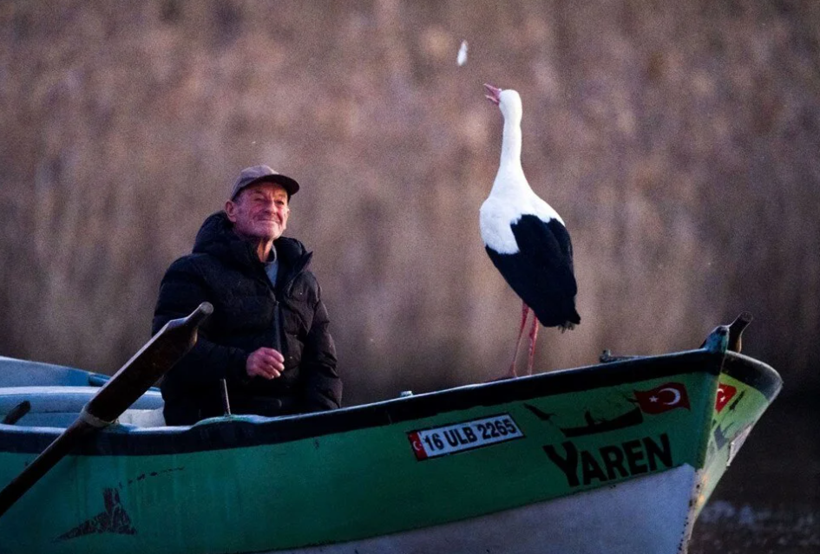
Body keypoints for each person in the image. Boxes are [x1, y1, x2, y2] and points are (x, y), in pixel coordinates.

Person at [153, 165, 341, 425]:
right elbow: (170, 350)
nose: (270, 208)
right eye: (259, 199)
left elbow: (323, 366)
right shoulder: (191, 272)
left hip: (289, 430)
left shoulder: (304, 282)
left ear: (286, 215)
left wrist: (319, 425)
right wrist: (243, 364)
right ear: (231, 211)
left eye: (279, 202)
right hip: (212, 429)